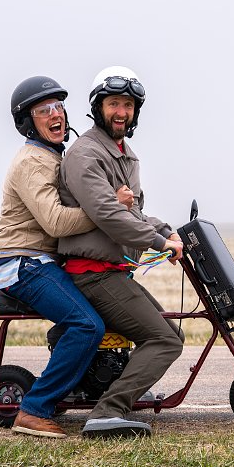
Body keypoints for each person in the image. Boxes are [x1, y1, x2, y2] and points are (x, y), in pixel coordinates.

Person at [58, 65, 186, 438]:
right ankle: (107, 412)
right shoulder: (86, 154)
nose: (121, 112)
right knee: (162, 339)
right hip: (93, 273)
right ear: (99, 107)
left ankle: (120, 392)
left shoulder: (124, 154)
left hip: (113, 271)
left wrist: (168, 230)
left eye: (128, 105)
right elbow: (109, 215)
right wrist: (161, 243)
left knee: (172, 336)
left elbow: (134, 212)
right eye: (114, 103)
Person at [0, 75, 113, 439]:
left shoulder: (52, 156)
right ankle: (34, 410)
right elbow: (57, 221)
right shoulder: (32, 161)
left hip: (40, 262)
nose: (56, 114)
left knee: (99, 308)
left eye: (59, 106)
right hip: (25, 264)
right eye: (44, 109)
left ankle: (82, 385)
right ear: (29, 122)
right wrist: (107, 210)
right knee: (87, 325)